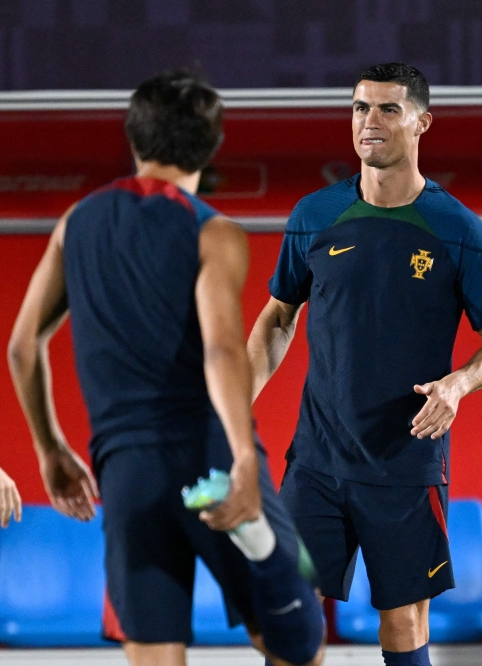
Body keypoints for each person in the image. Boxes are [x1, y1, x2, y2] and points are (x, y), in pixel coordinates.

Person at [7, 70, 324, 666]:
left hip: (125, 474)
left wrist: (49, 448)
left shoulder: (76, 223)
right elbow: (223, 350)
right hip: (209, 460)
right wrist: (246, 457)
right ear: (211, 148)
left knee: (153, 654)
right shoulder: (215, 233)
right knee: (295, 637)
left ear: (134, 138)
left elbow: (23, 348)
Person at [247, 62, 482, 666]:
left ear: (422, 122)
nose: (370, 122)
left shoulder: (459, 230)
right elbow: (277, 318)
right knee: (287, 606)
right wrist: (233, 406)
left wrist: (459, 383)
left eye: (388, 109)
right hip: (316, 458)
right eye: (360, 108)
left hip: (405, 461)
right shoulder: (314, 216)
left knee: (402, 615)